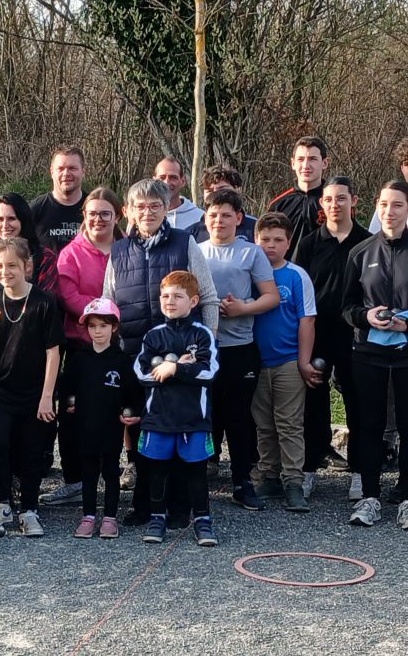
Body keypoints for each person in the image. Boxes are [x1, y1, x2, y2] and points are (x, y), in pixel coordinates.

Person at [102, 179, 219, 526]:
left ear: (167, 208)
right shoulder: (119, 251)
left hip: (184, 360)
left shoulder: (186, 244)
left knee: (182, 430)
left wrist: (205, 346)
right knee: (144, 432)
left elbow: (209, 297)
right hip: (138, 356)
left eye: (155, 205)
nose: (148, 212)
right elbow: (109, 305)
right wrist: (115, 351)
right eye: (141, 206)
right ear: (130, 211)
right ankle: (146, 506)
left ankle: (182, 507)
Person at [342, 182, 408, 531]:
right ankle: (370, 496)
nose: (390, 212)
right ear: (377, 207)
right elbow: (346, 306)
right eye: (385, 205)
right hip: (368, 352)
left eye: (398, 206)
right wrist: (365, 317)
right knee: (371, 425)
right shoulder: (360, 252)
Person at [0, 237, 65, 538]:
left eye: (12, 265)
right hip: (1, 387)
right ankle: (1, 502)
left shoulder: (43, 302)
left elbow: (54, 351)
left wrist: (47, 396)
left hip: (35, 392)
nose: (5, 271)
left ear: (27, 266)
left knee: (32, 450)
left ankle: (29, 509)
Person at [199, 189, 279, 510]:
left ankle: (242, 481)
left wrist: (243, 309)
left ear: (239, 219)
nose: (219, 221)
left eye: (226, 215)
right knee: (205, 414)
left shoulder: (251, 253)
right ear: (205, 219)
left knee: (238, 417)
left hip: (240, 346)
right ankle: (199, 476)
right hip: (203, 348)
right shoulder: (196, 251)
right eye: (213, 215)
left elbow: (271, 296)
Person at [42, 187, 122, 505]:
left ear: (117, 216)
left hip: (119, 346)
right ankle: (75, 479)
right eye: (92, 213)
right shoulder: (70, 254)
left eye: (105, 213)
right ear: (84, 217)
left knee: (119, 411)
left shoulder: (128, 248)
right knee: (74, 414)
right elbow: (69, 298)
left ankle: (119, 472)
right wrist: (108, 308)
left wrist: (113, 312)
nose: (98, 219)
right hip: (80, 346)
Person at [291, 176, 370, 498]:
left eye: (341, 198)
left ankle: (360, 471)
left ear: (354, 201)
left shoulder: (368, 241)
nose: (335, 205)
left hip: (356, 335)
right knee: (313, 403)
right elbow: (297, 289)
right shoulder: (309, 244)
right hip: (317, 334)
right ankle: (309, 468)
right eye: (329, 199)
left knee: (358, 405)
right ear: (321, 205)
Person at [133, 270, 220, 547]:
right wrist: (169, 369)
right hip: (159, 418)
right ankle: (158, 517)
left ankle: (203, 520)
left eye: (178, 296)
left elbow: (209, 372)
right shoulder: (153, 335)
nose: (170, 301)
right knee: (157, 471)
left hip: (193, 419)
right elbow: (140, 372)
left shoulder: (202, 334)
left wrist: (177, 367)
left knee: (195, 472)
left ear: (193, 301)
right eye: (165, 296)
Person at [251, 213, 317, 513]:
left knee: (289, 424)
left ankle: (293, 482)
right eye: (265, 239)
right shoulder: (250, 275)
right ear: (256, 240)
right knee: (263, 424)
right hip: (256, 361)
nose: (270, 246)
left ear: (289, 244)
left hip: (289, 360)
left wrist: (304, 361)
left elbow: (306, 320)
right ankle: (269, 475)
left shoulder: (296, 276)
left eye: (278, 240)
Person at [63, 298, 140, 539]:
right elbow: (66, 386)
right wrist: (69, 402)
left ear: (114, 327)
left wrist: (131, 412)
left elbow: (133, 393)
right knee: (88, 472)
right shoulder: (79, 359)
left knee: (110, 471)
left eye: (103, 326)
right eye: (93, 326)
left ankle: (109, 517)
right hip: (85, 425)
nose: (98, 331)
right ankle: (88, 516)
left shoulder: (121, 360)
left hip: (110, 427)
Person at [0, 192, 60, 333]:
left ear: (23, 220)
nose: (5, 225)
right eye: (0, 219)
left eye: (11, 219)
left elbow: (48, 301)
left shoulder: (44, 257)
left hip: (34, 339)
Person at [267, 136, 329, 256]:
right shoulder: (278, 204)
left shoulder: (334, 203)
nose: (306, 165)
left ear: (325, 163)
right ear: (293, 163)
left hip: (325, 273)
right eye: (301, 159)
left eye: (312, 159)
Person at [31, 145, 88, 250]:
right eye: (60, 169)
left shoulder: (95, 209)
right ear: (52, 172)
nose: (66, 174)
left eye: (72, 168)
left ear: (83, 171)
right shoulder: (34, 210)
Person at [189, 165, 256, 243]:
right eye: (210, 190)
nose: (216, 194)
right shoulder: (192, 233)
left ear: (238, 190)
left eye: (222, 189)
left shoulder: (255, 227)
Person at [154, 156, 203, 232]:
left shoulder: (199, 217)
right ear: (154, 181)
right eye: (162, 178)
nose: (166, 182)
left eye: (173, 177)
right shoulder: (147, 217)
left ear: (183, 181)